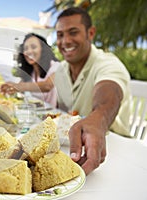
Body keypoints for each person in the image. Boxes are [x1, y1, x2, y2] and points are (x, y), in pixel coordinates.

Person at [54, 7, 131, 175]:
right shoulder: (61, 70)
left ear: (91, 33)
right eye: (60, 35)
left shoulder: (108, 64)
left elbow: (110, 91)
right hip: (72, 152)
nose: (65, 41)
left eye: (73, 32)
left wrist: (98, 119)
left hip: (119, 158)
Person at [0, 33, 60, 107]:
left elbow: (47, 86)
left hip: (56, 116)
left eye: (33, 47)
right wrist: (9, 88)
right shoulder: (31, 71)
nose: (29, 51)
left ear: (43, 49)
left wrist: (18, 86)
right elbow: (19, 88)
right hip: (39, 114)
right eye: (26, 49)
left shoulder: (56, 66)